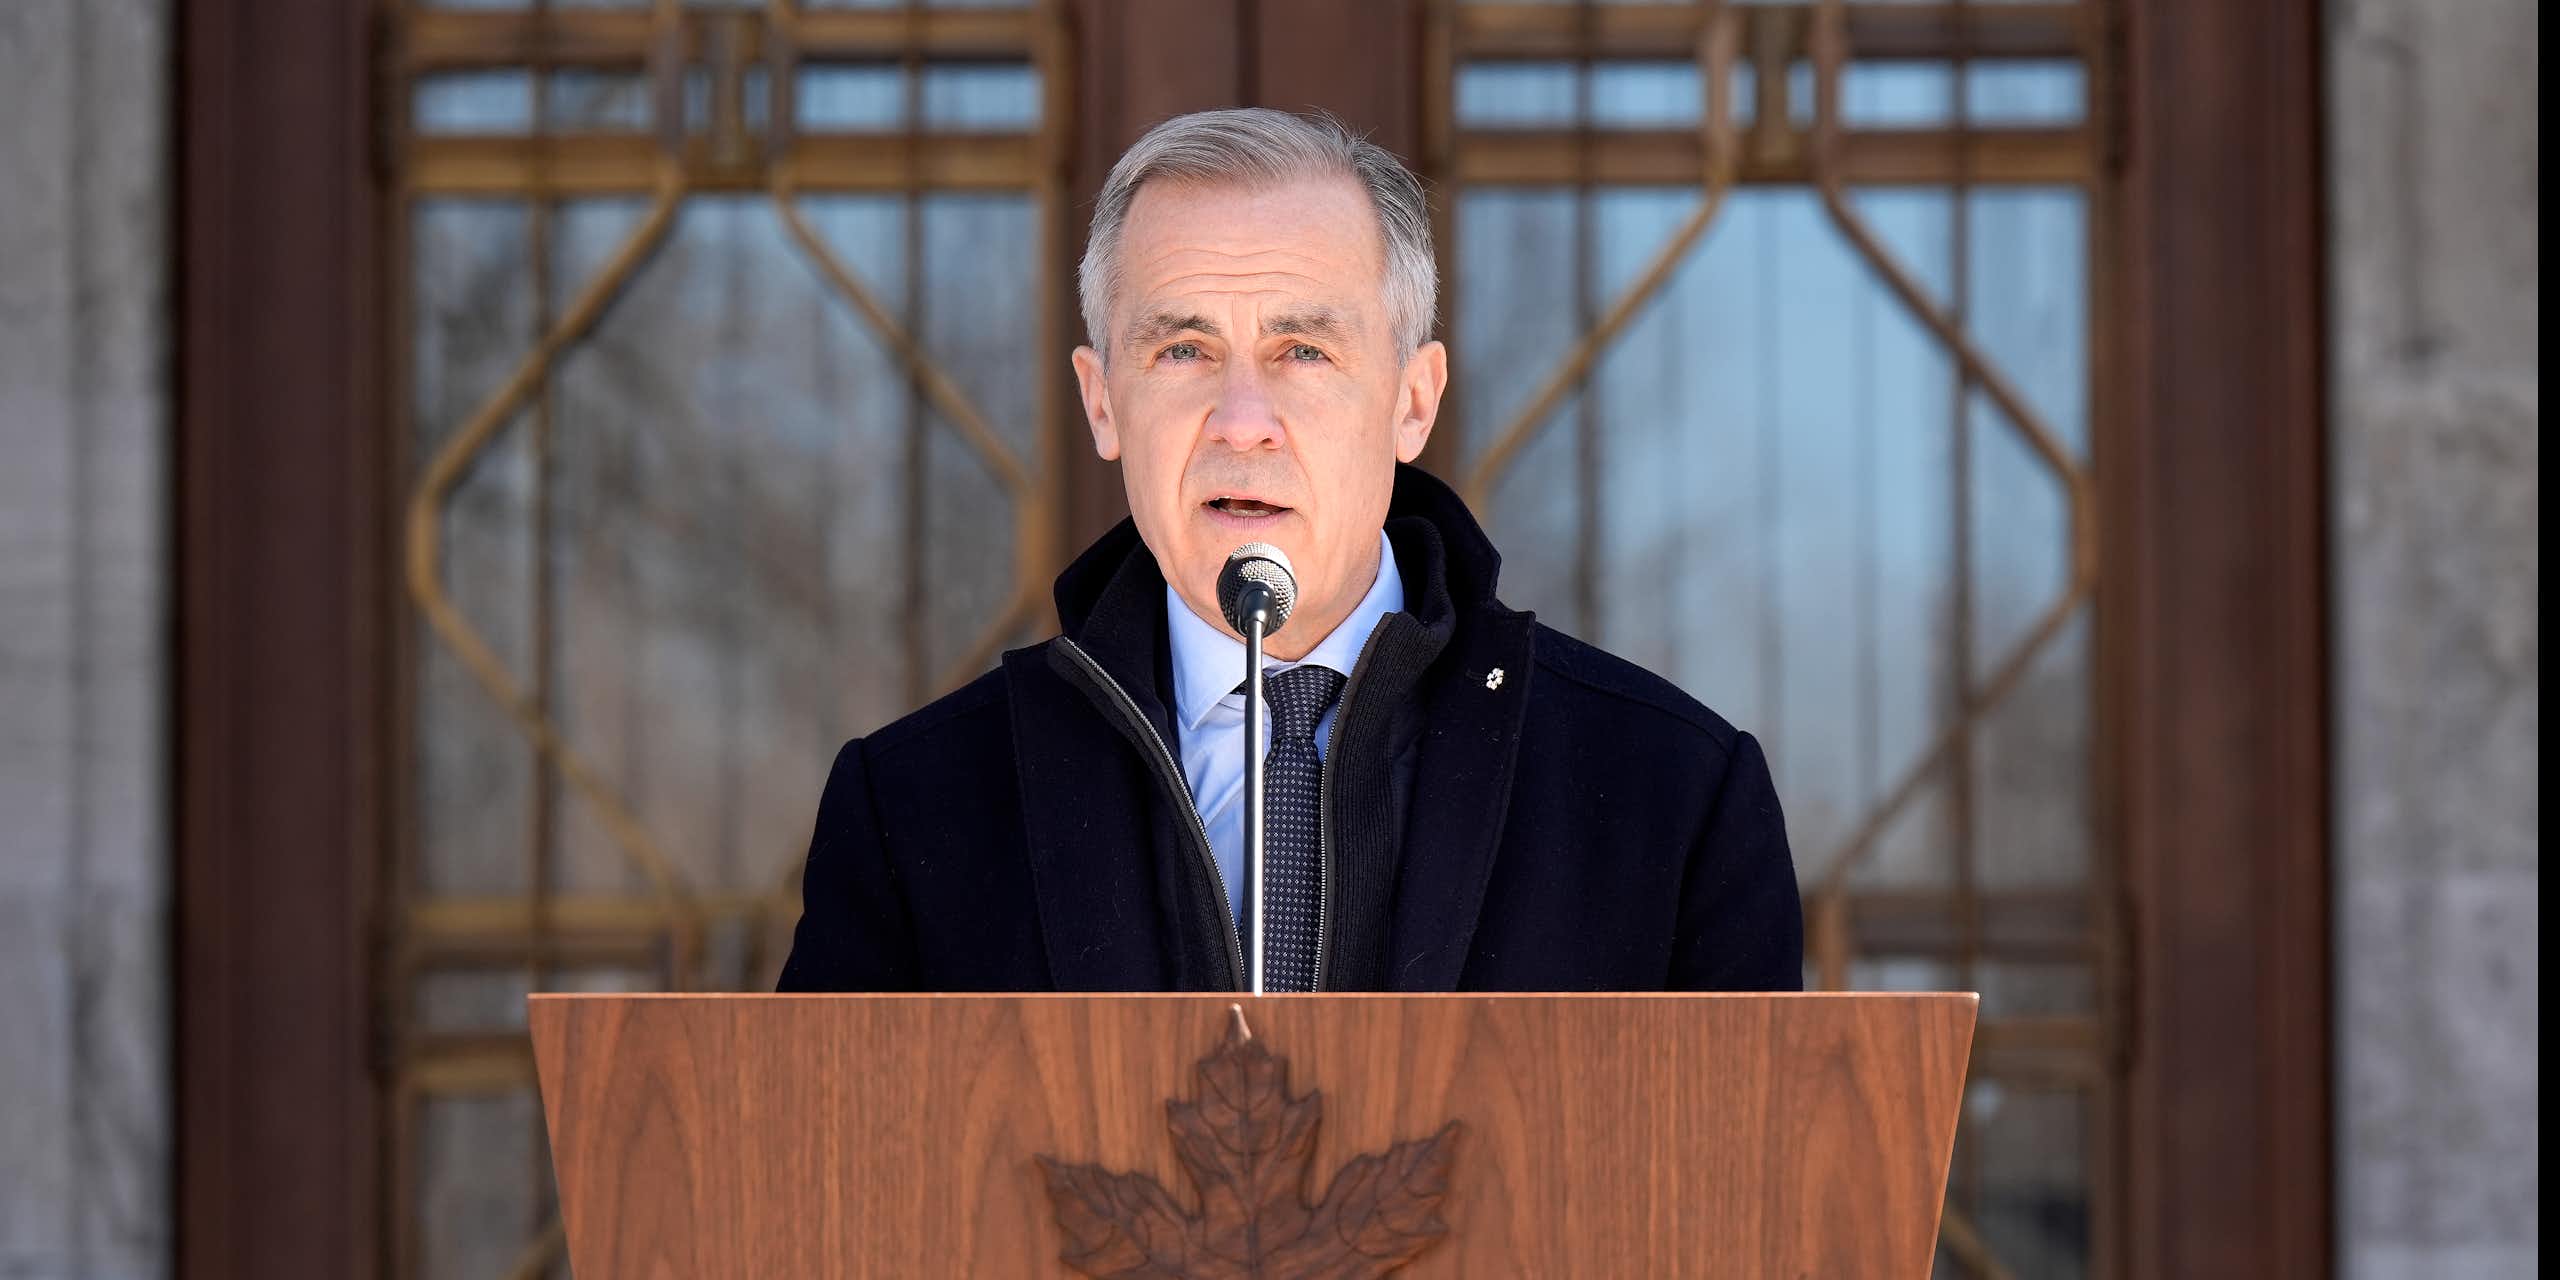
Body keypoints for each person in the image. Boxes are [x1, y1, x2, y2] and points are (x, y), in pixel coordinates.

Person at [778, 108, 1800, 994]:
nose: (1242, 420)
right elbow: (828, 1198)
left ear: (1412, 399)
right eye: (1183, 350)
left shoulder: (1671, 793)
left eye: (1301, 351)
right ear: (1101, 401)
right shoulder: (916, 807)